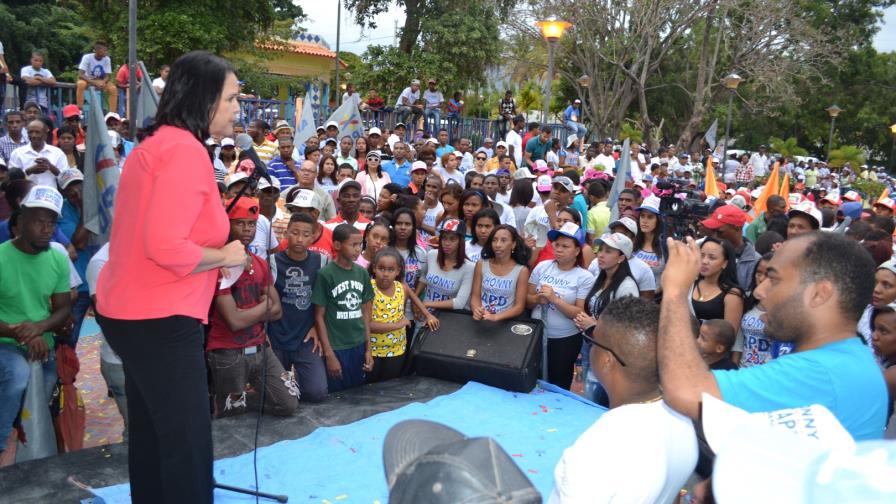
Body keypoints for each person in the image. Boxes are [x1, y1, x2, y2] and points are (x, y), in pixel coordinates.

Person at [94, 51, 248, 503]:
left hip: (131, 313)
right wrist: (225, 254)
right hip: (159, 318)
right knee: (186, 446)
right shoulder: (184, 150)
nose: (237, 108)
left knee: (154, 437)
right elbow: (165, 247)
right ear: (204, 99)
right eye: (231, 98)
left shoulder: (157, 144)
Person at [658, 232, 888, 441]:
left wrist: (675, 291)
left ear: (819, 294)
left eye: (774, 280)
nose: (760, 291)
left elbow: (685, 391)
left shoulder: (819, 373)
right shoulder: (849, 359)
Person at [550, 297, 698, 504]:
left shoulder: (596, 452)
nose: (590, 346)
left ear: (606, 360)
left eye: (593, 340)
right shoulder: (683, 421)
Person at [206, 198, 298, 417]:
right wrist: (264, 306)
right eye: (240, 223)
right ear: (227, 224)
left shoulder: (259, 262)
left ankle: (245, 402)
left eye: (252, 224)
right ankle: (229, 404)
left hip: (260, 347)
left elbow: (277, 311)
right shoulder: (220, 265)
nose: (247, 229)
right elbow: (234, 321)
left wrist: (250, 312)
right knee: (231, 414)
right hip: (228, 351)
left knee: (289, 403)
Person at [0, 186, 73, 457]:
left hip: (43, 346)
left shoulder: (57, 258)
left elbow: (63, 308)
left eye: (51, 223)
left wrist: (39, 329)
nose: (46, 229)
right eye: (39, 222)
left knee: (37, 412)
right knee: (18, 375)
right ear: (20, 221)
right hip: (5, 343)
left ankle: (29, 463)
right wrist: (24, 334)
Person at [268, 213, 328, 402]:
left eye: (305, 234)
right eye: (295, 233)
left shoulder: (321, 261)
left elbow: (327, 300)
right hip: (277, 336)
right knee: (278, 397)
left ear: (313, 237)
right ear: (286, 233)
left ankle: (299, 382)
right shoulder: (272, 262)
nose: (300, 239)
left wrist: (317, 326)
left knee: (317, 392)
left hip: (306, 338)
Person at [527, 222, 594, 389]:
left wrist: (555, 299)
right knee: (532, 381)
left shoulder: (584, 277)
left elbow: (580, 312)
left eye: (565, 246)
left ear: (577, 250)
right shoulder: (542, 267)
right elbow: (526, 299)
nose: (559, 249)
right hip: (536, 335)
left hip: (564, 340)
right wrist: (537, 299)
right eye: (557, 245)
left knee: (558, 383)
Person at [575, 232, 640, 404]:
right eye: (601, 249)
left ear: (621, 258)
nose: (601, 255)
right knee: (589, 398)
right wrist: (585, 322)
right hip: (592, 347)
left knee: (597, 402)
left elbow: (627, 329)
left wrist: (593, 325)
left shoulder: (627, 286)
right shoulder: (602, 278)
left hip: (609, 356)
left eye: (609, 251)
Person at [311, 224, 375, 392]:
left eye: (360, 244)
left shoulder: (362, 273)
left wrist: (368, 349)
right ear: (337, 245)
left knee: (358, 392)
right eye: (353, 245)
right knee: (337, 395)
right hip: (337, 346)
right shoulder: (325, 274)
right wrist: (329, 354)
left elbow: (365, 313)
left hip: (358, 344)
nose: (358, 249)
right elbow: (319, 316)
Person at [367, 247, 437, 382]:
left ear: (398, 271)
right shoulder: (369, 289)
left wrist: (428, 315)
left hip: (397, 348)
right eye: (381, 268)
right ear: (374, 268)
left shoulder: (401, 288)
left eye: (390, 270)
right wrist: (399, 324)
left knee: (390, 384)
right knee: (371, 385)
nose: (385, 274)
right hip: (373, 350)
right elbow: (369, 325)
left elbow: (415, 299)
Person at [471, 224, 530, 321]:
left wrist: (496, 317)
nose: (497, 245)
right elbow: (475, 296)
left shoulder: (522, 270)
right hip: (482, 319)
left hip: (506, 323)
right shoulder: (481, 264)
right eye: (494, 240)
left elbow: (519, 307)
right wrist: (477, 310)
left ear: (513, 244)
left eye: (503, 240)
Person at [417, 218, 475, 313]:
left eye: (452, 239)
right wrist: (416, 300)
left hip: (446, 317)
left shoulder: (469, 267)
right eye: (444, 238)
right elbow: (424, 278)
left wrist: (427, 304)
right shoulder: (432, 255)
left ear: (461, 241)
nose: (447, 243)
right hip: (423, 312)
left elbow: (459, 303)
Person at [700, 204, 761, 293]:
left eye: (720, 232)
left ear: (737, 228)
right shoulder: (702, 247)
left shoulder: (755, 262)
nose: (715, 236)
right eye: (712, 231)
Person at [691, 237, 744, 335]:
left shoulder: (732, 294)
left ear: (725, 263)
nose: (704, 261)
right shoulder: (690, 284)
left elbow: (729, 336)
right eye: (702, 255)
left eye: (712, 258)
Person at [9, 120, 67, 188]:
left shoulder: (57, 152)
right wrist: (29, 171)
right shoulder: (17, 153)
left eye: (37, 132)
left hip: (50, 193)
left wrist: (50, 167)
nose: (33, 135)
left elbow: (65, 177)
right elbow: (11, 178)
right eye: (30, 132)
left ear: (45, 134)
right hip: (26, 193)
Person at [632, 194, 666, 287]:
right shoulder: (632, 242)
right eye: (642, 216)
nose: (644, 220)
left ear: (658, 220)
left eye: (650, 217)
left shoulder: (665, 246)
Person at [76, 41, 117, 112]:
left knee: (113, 89)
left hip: (100, 80)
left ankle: (112, 113)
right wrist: (94, 83)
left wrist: (103, 82)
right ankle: (80, 109)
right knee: (81, 84)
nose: (106, 52)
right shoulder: (87, 57)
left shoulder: (107, 59)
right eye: (104, 50)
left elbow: (107, 76)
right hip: (87, 79)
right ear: (98, 50)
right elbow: (81, 74)